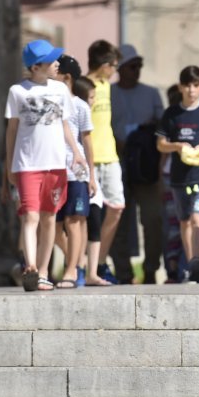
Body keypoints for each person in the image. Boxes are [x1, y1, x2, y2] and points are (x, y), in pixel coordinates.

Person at [5, 40, 86, 291]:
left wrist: (76, 153)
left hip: (55, 165)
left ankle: (42, 273)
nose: (57, 64)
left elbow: (64, 125)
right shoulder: (18, 91)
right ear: (36, 66)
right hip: (27, 164)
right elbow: (12, 130)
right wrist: (9, 164)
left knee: (49, 218)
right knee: (30, 216)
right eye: (52, 60)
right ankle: (29, 266)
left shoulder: (61, 90)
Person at [156, 65, 199, 283]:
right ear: (180, 87)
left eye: (196, 86)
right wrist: (176, 146)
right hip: (178, 178)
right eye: (187, 85)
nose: (191, 90)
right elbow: (161, 144)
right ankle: (190, 259)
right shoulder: (172, 114)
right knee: (184, 220)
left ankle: (196, 261)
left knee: (197, 217)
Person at [111, 44, 167, 284]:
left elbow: (164, 126)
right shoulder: (107, 93)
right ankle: (123, 273)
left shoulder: (152, 94)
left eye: (139, 66)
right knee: (116, 221)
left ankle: (151, 269)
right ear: (120, 68)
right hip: (116, 163)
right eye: (132, 66)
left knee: (154, 219)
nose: (137, 71)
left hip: (146, 166)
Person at [52, 56, 97, 289]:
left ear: (66, 77)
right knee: (53, 225)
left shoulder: (80, 106)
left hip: (76, 171)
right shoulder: (47, 101)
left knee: (74, 220)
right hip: (52, 168)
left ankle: (71, 271)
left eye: (56, 70)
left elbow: (87, 141)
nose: (51, 73)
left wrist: (91, 174)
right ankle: (76, 260)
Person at [86, 40, 125, 284]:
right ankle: (83, 264)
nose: (115, 71)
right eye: (113, 66)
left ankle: (99, 261)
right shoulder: (82, 86)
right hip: (88, 159)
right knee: (87, 215)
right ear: (102, 65)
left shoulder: (107, 86)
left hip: (110, 157)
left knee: (117, 207)